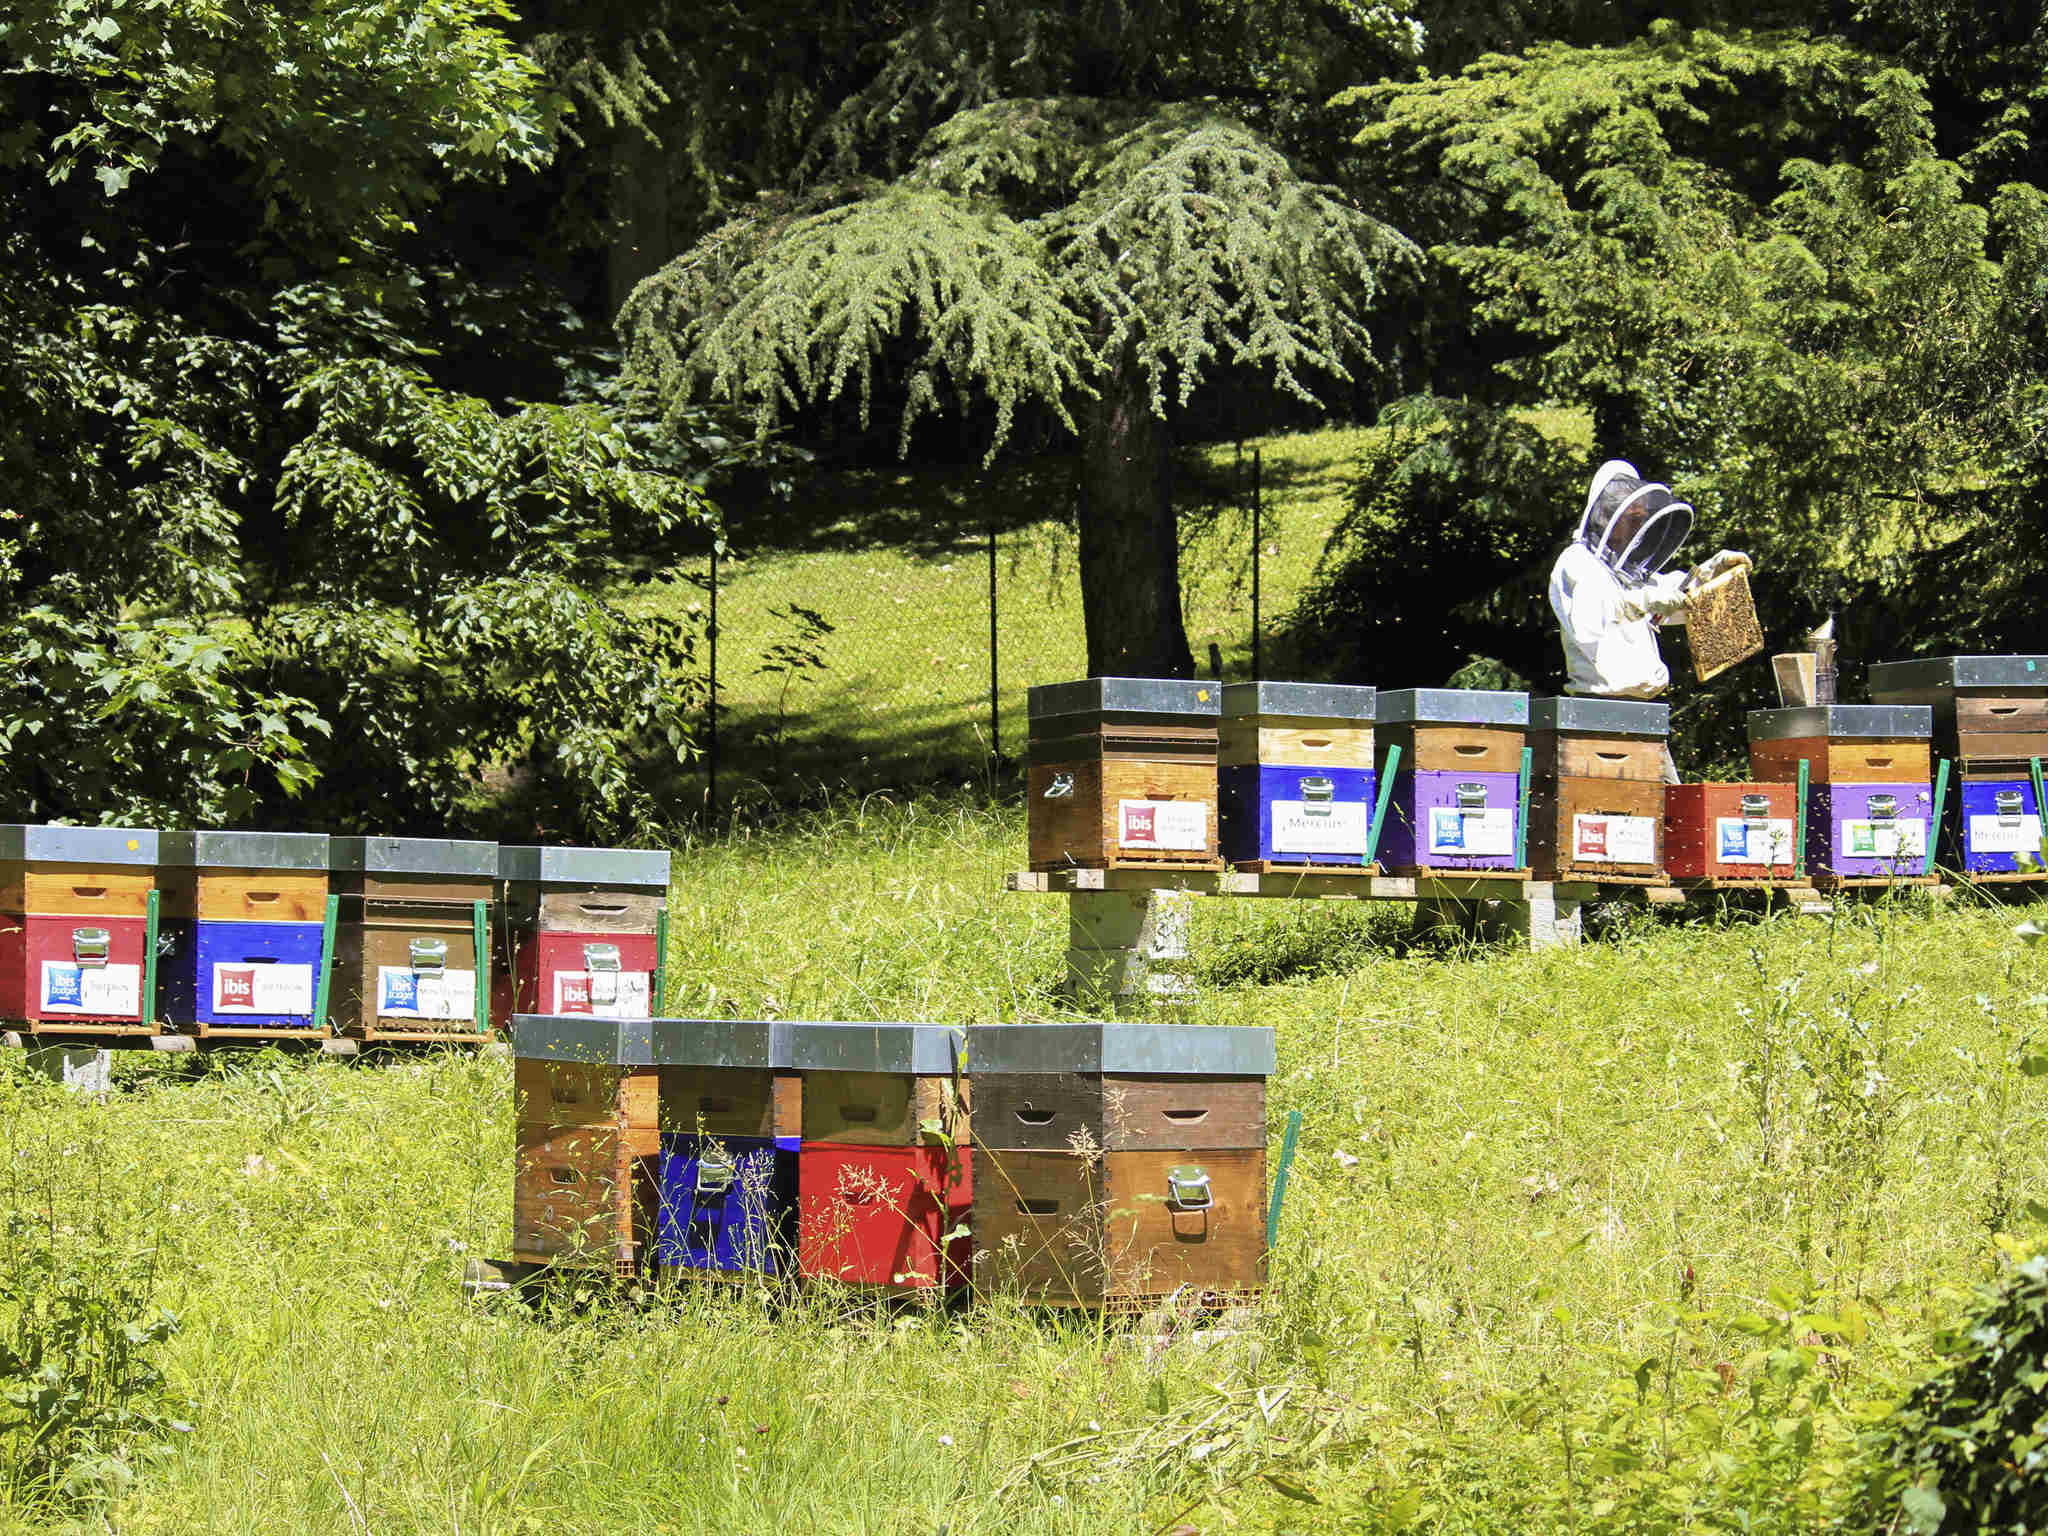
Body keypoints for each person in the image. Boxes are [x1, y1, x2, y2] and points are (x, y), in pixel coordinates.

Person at [1549, 459, 1749, 782]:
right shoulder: (1576, 564)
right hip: (1596, 713)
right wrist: (1646, 601)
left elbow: (1677, 597)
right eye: (1632, 520)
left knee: (1670, 809)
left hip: (1644, 714)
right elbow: (1591, 619)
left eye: (1640, 521)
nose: (1636, 530)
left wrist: (1712, 572)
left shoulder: (1629, 574)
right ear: (1606, 517)